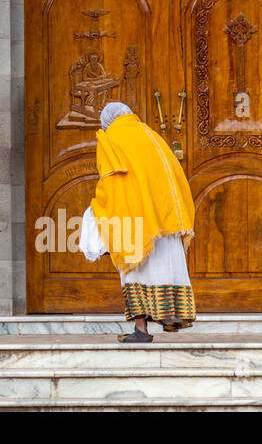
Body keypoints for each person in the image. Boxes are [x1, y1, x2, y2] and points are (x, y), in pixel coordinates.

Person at [80, 102, 196, 343]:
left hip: (135, 221)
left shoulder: (111, 138)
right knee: (163, 269)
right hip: (165, 220)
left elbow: (112, 182)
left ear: (107, 121)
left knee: (136, 273)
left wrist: (98, 208)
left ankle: (141, 331)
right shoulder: (151, 136)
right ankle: (170, 316)